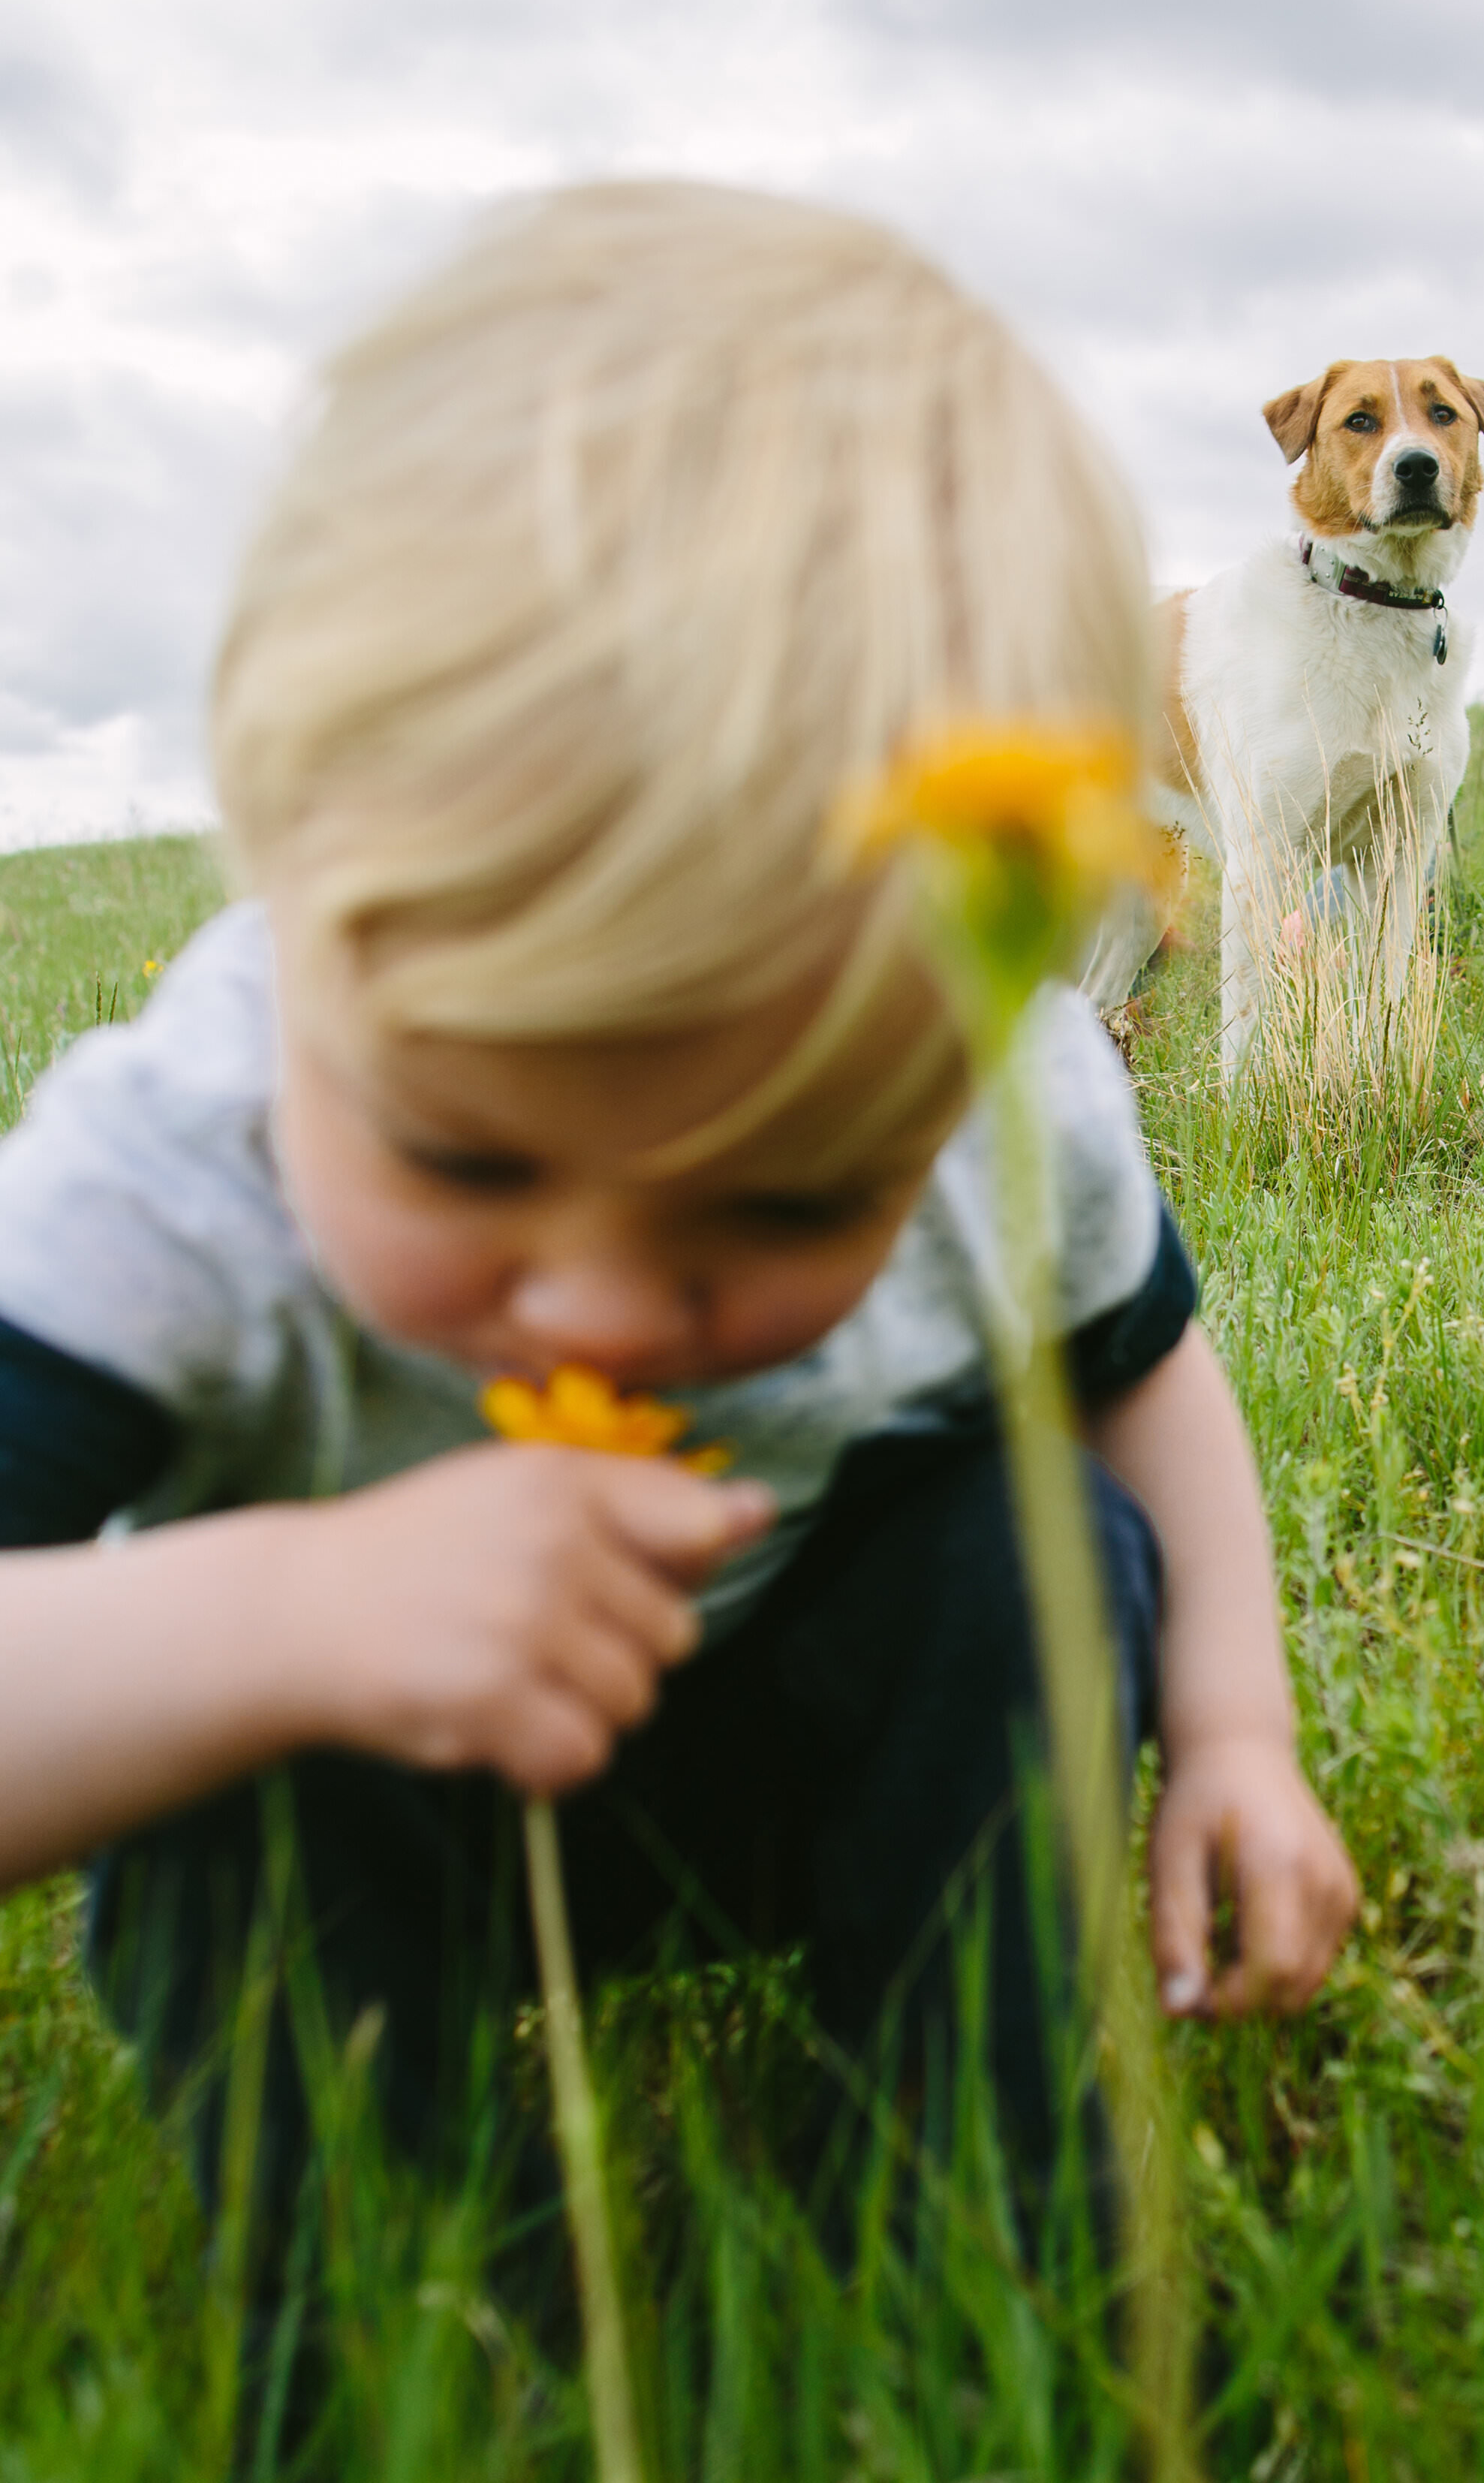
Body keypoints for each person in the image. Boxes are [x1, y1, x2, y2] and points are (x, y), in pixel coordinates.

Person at [0, 184, 1356, 2315]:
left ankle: (948, 2253)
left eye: (789, 1198)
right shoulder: (175, 1165)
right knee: (227, 1790)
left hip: (795, 1742)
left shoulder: (1001, 1084)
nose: (611, 1307)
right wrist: (278, 1612)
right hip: (378, 1817)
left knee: (1039, 1559)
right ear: (301, 902)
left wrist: (1240, 1729)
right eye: (462, 1156)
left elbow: (1138, 1372)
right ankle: (397, 2340)